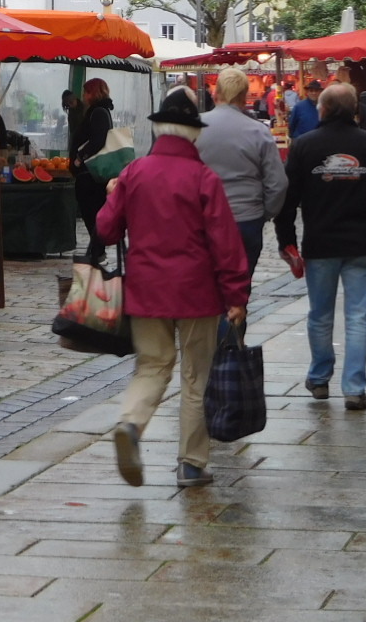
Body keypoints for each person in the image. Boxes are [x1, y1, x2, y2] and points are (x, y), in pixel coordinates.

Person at [99, 90, 250, 489]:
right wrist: (236, 296)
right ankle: (191, 464)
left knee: (152, 365)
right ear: (194, 133)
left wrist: (113, 195)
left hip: (146, 290)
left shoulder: (134, 173)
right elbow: (226, 243)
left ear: (159, 129)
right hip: (197, 293)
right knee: (197, 376)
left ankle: (131, 423)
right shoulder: (204, 178)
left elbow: (106, 229)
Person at [275, 83, 366, 409]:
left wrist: (286, 239)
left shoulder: (305, 145)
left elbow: (287, 199)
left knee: (320, 314)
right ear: (354, 110)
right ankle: (354, 388)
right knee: (359, 318)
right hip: (361, 243)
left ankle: (319, 378)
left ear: (323, 109)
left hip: (320, 242)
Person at [196, 67, 289, 293]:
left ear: (216, 93)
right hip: (246, 218)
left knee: (205, 288)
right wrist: (264, 213)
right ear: (243, 96)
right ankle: (236, 315)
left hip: (203, 219)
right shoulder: (258, 131)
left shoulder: (194, 127)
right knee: (239, 290)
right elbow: (278, 183)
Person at [70, 77, 115, 265]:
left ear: (92, 93)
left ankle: (97, 251)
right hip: (90, 173)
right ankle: (96, 251)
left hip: (91, 174)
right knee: (92, 213)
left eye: (86, 92)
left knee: (91, 212)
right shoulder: (99, 111)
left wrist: (80, 158)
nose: (83, 96)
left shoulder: (98, 112)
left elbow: (98, 140)